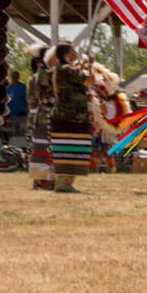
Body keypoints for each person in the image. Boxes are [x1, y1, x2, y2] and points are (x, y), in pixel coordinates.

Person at [49, 43, 93, 193]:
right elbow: (89, 79)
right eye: (73, 50)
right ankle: (65, 184)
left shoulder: (63, 69)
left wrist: (84, 64)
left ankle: (63, 182)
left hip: (67, 114)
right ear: (66, 54)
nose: (76, 52)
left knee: (66, 149)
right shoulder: (66, 69)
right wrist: (90, 65)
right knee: (73, 149)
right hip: (71, 115)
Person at [26, 46, 54, 190]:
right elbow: (33, 99)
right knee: (40, 149)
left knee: (47, 149)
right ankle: (40, 180)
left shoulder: (43, 76)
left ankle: (46, 179)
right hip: (39, 116)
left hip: (43, 115)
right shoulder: (35, 78)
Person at [2, 70, 27, 144]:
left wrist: (26, 109)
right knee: (7, 132)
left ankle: (19, 148)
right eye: (13, 76)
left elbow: (27, 99)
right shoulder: (8, 87)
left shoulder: (22, 87)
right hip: (8, 115)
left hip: (19, 115)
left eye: (16, 76)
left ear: (18, 77)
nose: (14, 77)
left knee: (18, 134)